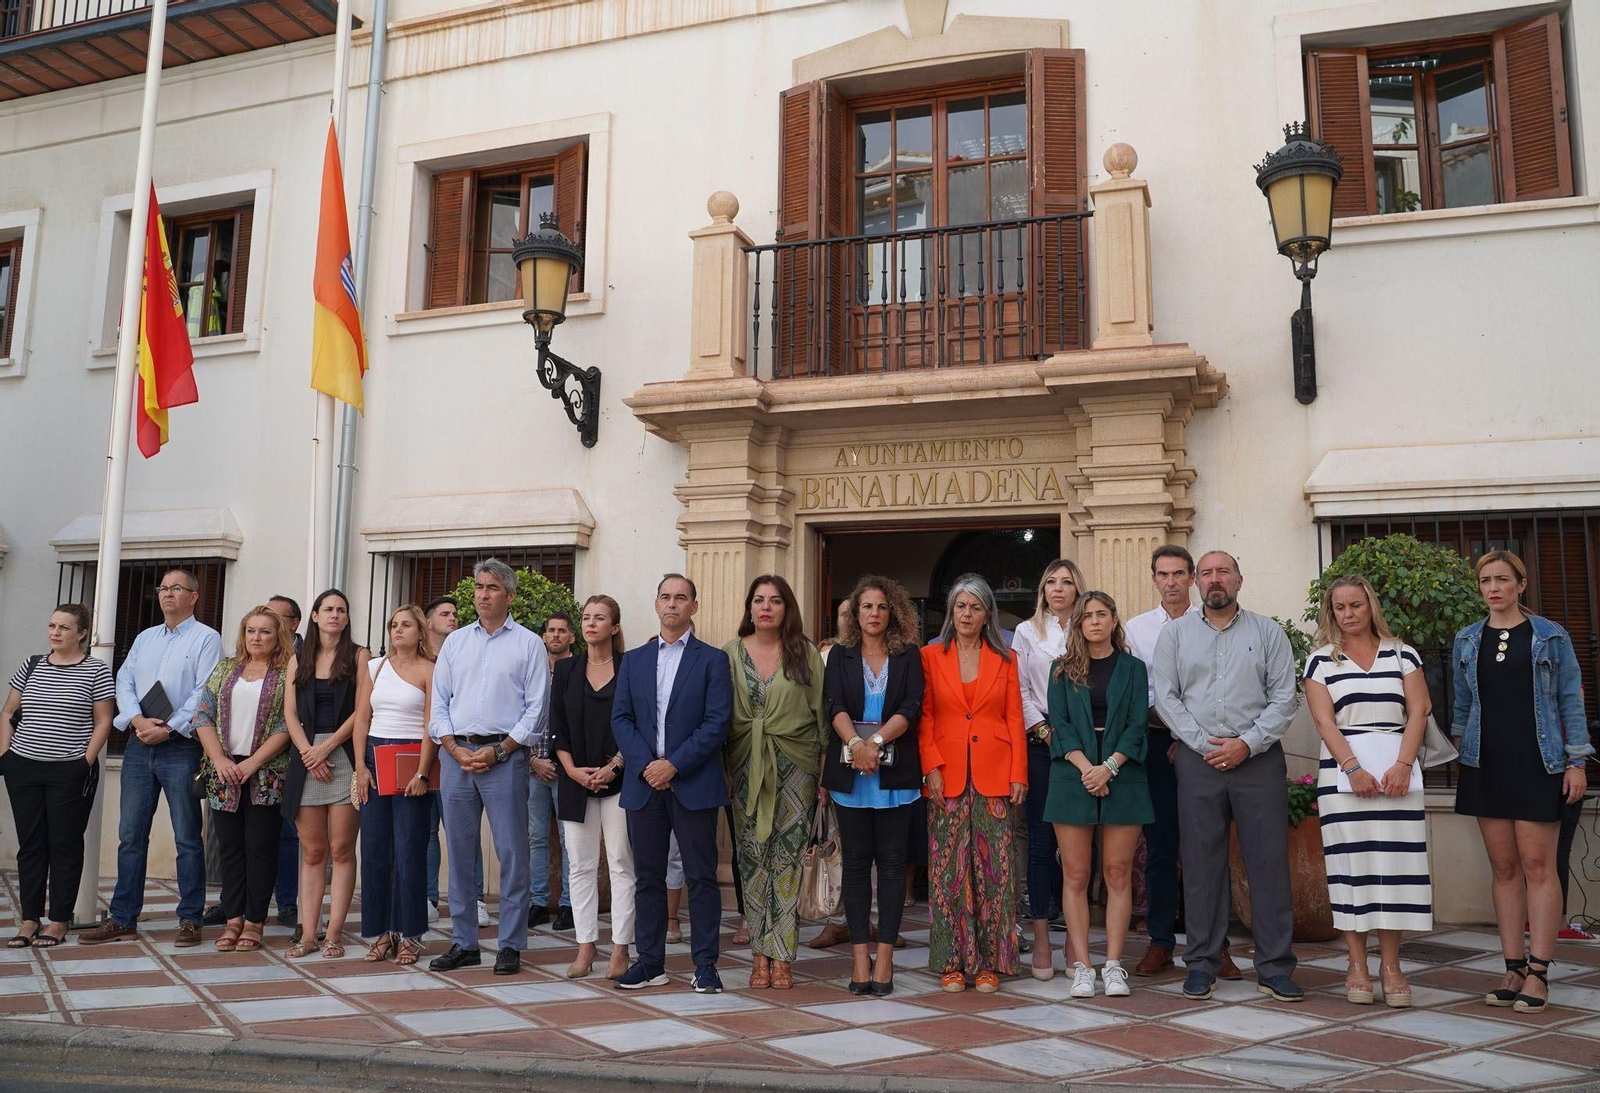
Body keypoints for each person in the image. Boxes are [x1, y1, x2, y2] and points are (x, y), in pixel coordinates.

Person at [1152, 550, 1302, 1003]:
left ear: (1240, 580)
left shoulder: (1268, 632)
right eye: (1208, 573)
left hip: (1257, 760)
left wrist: (1246, 744)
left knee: (1269, 865)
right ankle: (1201, 963)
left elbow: (1285, 697)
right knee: (1200, 866)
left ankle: (1275, 967)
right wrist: (1204, 745)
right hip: (1200, 762)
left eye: (1224, 572)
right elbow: (1166, 697)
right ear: (1197, 582)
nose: (1215, 580)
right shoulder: (1175, 635)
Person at [1453, 550, 1591, 1014]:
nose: (1493, 587)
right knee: (1504, 869)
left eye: (1502, 579)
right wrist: (1465, 747)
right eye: (1485, 580)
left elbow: (1571, 701)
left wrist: (1576, 762)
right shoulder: (1467, 639)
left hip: (1540, 763)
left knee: (1538, 868)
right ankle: (1512, 967)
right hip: (1485, 764)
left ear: (1521, 584)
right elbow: (1462, 706)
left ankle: (1539, 971)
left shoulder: (1551, 637)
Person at [1305, 575, 1432, 1007]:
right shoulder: (1321, 661)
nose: (1348, 614)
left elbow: (1419, 711)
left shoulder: (1402, 654)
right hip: (1344, 780)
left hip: (1399, 776)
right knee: (1352, 870)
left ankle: (1391, 965)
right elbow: (1324, 722)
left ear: (1370, 606)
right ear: (1331, 613)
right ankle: (1356, 963)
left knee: (1394, 871)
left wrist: (1401, 765)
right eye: (1340, 607)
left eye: (1355, 605)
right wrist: (1354, 769)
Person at [81, 568, 223, 947]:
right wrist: (137, 719)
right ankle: (123, 916)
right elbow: (123, 680)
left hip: (181, 747)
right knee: (130, 836)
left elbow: (205, 691)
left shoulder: (207, 638)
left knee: (187, 837)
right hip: (140, 744)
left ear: (193, 596)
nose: (167, 594)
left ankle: (191, 918)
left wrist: (171, 727)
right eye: (162, 588)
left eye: (176, 588)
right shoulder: (145, 638)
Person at [611, 573, 732, 994]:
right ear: (656, 603)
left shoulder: (713, 660)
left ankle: (705, 965)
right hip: (645, 785)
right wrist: (648, 765)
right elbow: (621, 719)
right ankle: (650, 963)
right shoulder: (634, 660)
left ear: (693, 607)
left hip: (693, 782)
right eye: (665, 596)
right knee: (648, 877)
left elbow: (717, 723)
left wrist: (674, 765)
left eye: (681, 598)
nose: (672, 604)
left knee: (701, 877)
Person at [1124, 546, 1241, 979]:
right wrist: (1175, 734)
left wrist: (1191, 739)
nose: (1170, 582)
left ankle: (1216, 945)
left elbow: (1216, 689)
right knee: (1160, 847)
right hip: (1156, 746)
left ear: (1192, 578)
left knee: (1208, 847)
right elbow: (1139, 692)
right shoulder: (1136, 630)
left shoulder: (1211, 622)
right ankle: (1160, 942)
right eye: (1162, 574)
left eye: (1178, 574)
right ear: (1153, 579)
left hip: (1208, 746)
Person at [429, 560, 549, 976]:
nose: (483, 594)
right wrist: (452, 747)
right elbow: (438, 702)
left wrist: (500, 751)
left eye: (492, 587)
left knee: (512, 853)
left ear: (510, 595)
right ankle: (464, 943)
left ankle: (510, 944)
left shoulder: (530, 644)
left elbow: (536, 709)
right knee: (460, 855)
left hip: (505, 760)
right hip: (456, 757)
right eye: (479, 586)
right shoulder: (455, 642)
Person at [920, 575, 1027, 994]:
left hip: (995, 772)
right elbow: (925, 716)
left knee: (995, 871)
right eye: (960, 606)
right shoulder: (931, 656)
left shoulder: (1006, 658)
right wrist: (930, 765)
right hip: (944, 773)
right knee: (949, 870)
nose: (967, 614)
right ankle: (950, 961)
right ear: (951, 612)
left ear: (987, 615)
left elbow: (1015, 718)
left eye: (975, 607)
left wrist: (1019, 772)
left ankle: (990, 962)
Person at [1046, 591, 1153, 999]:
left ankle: (1112, 965)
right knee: (1074, 874)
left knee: (1116, 872)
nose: (1094, 621)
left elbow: (1136, 725)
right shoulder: (1060, 670)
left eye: (1101, 614)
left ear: (1113, 620)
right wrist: (1087, 769)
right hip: (1072, 772)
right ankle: (1082, 968)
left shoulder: (1134, 668)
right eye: (1086, 615)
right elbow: (1059, 724)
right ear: (1078, 624)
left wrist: (1108, 767)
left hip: (1122, 771)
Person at [822, 575, 924, 996]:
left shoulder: (909, 656)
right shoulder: (840, 656)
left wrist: (876, 744)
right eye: (867, 607)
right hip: (851, 776)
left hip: (895, 776)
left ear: (893, 612)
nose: (874, 614)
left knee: (894, 866)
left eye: (882, 607)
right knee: (857, 866)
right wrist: (855, 745)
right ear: (856, 612)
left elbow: (911, 706)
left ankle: (885, 959)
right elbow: (833, 705)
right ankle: (860, 958)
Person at [724, 575, 825, 990]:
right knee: (751, 859)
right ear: (749, 607)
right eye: (759, 600)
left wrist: (823, 777)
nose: (766, 607)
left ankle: (782, 956)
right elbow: (717, 718)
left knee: (786, 860)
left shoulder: (806, 653)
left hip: (797, 766)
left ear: (787, 609)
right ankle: (759, 955)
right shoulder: (729, 655)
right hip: (745, 765)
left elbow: (822, 717)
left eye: (776, 600)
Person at [0, 605, 113, 948]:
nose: (55, 632)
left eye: (64, 627)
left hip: (70, 769)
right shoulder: (31, 664)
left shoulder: (96, 670)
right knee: (30, 845)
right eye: (51, 625)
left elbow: (104, 720)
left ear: (81, 633)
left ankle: (59, 920)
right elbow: (8, 711)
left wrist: (85, 760)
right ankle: (30, 919)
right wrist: (5, 755)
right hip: (23, 766)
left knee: (63, 844)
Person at [192, 607, 294, 953]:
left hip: (266, 771)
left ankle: (254, 921)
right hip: (223, 771)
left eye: (265, 631)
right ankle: (233, 918)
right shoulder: (225, 669)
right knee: (229, 849)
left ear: (277, 635)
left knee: (260, 848)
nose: (256, 637)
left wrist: (253, 762)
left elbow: (287, 724)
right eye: (251, 630)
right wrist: (219, 758)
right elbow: (203, 714)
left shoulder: (285, 674)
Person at [551, 595, 633, 980]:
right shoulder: (565, 669)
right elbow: (557, 726)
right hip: (575, 780)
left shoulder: (630, 667)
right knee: (580, 867)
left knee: (620, 863)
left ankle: (620, 948)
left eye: (600, 618)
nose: (590, 623)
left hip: (620, 778)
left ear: (614, 627)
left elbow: (639, 722)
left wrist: (616, 764)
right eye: (586, 617)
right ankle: (585, 947)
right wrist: (571, 771)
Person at [282, 589, 367, 958]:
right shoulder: (297, 659)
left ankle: (334, 933)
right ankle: (308, 934)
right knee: (313, 851)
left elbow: (363, 712)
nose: (335, 614)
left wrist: (325, 748)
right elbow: (289, 714)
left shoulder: (360, 656)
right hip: (306, 758)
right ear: (314, 616)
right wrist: (307, 752)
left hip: (344, 753)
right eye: (328, 609)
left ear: (347, 618)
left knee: (342, 849)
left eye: (341, 610)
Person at [352, 605, 436, 967]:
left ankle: (411, 934)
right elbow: (361, 718)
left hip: (411, 759)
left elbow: (431, 723)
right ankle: (381, 932)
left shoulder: (431, 670)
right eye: (393, 625)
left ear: (420, 631)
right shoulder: (375, 667)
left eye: (405, 625)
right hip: (374, 756)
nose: (398, 630)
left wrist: (422, 773)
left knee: (409, 850)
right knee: (373, 849)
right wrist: (360, 766)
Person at [1010, 558, 1081, 980]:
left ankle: (1074, 940)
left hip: (1086, 749)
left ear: (1078, 588)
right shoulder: (1025, 632)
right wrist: (1042, 729)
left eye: (1067, 581)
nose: (1058, 588)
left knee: (1078, 846)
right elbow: (1018, 688)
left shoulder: (1091, 624)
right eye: (1051, 581)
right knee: (1039, 841)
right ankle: (1040, 940)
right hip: (1041, 745)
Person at [422, 597, 486, 926]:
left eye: (455, 614)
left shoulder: (465, 653)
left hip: (457, 753)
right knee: (428, 831)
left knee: (464, 830)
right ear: (428, 623)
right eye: (445, 614)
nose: (453, 618)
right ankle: (429, 898)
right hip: (423, 757)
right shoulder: (416, 660)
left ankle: (475, 899)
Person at [529, 613, 575, 931]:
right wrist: (533, 760)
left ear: (572, 637)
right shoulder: (532, 672)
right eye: (551, 630)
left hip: (566, 770)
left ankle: (569, 905)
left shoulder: (579, 671)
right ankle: (538, 902)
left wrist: (561, 763)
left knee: (568, 838)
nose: (555, 635)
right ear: (543, 636)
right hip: (533, 767)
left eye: (562, 631)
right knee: (535, 838)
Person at [266, 595, 302, 933]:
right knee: (253, 835)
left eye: (275, 618)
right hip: (255, 760)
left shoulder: (303, 656)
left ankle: (289, 903)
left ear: (293, 623)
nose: (267, 625)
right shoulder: (256, 655)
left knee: (291, 834)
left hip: (295, 756)